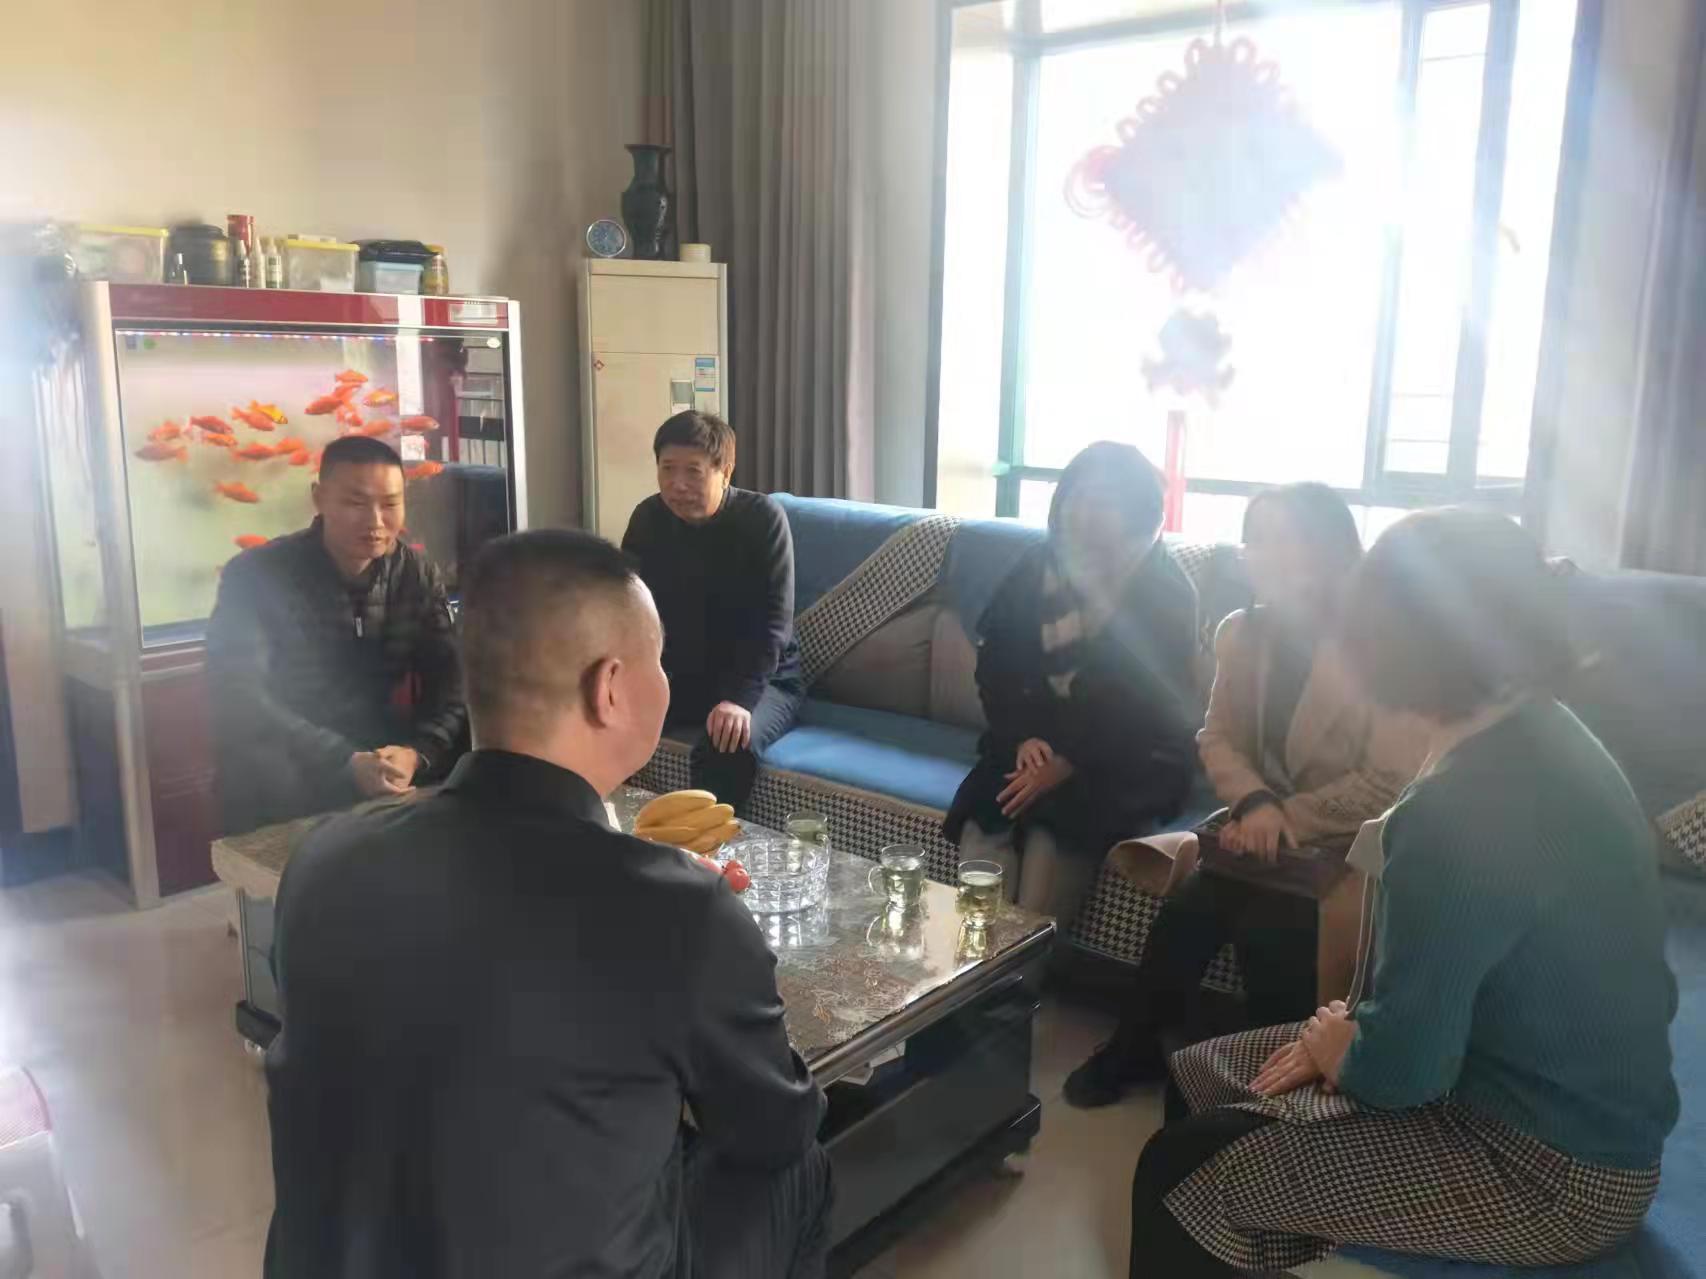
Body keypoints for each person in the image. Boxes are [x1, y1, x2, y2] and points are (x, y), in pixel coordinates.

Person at [264, 529, 832, 1279]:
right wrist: (705, 923)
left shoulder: (324, 859)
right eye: (659, 659)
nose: (666, 680)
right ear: (610, 688)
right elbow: (777, 1125)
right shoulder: (677, 911)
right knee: (800, 1167)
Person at [1128, 509, 1678, 1277]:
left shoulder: (1457, 811)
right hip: (1526, 1085)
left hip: (1551, 1168)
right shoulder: (1543, 725)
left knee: (1179, 1170)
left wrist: (1339, 1045)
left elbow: (1401, 1074)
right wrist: (1348, 1033)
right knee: (1200, 1076)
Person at [1066, 483, 1425, 1107]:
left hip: (1347, 842)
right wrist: (1256, 804)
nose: (1258, 554)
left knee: (1269, 927)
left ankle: (1264, 1086)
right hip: (1252, 823)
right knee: (1187, 913)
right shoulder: (1243, 632)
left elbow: (1389, 781)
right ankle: (1135, 1046)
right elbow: (1218, 736)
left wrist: (1286, 819)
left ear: (1331, 550)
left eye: (1280, 540)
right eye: (1253, 539)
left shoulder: (1380, 650)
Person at [943, 442, 1199, 923]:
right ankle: (975, 957)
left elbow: (1143, 706)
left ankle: (1024, 965)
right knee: (988, 820)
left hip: (1127, 755)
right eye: (1075, 496)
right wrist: (1023, 737)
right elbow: (996, 664)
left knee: (1052, 841)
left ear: (1136, 509)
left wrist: (1068, 761)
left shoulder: (1164, 590)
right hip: (1034, 742)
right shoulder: (1038, 565)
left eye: (1102, 501)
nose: (1083, 512)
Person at [206, 436, 464, 835]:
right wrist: (342, 760)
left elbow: (453, 680)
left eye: (390, 504)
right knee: (266, 766)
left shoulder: (415, 573)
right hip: (287, 755)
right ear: (319, 498)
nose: (375, 521)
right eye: (356, 503)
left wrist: (418, 753)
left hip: (380, 748)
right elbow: (238, 694)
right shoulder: (256, 574)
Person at [622, 411, 805, 812]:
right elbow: (626, 608)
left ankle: (709, 850)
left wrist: (739, 699)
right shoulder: (648, 518)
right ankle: (611, 833)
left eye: (693, 471)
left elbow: (774, 625)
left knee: (728, 743)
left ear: (725, 471)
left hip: (765, 679)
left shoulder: (762, 519)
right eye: (667, 469)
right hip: (683, 676)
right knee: (600, 712)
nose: (677, 484)